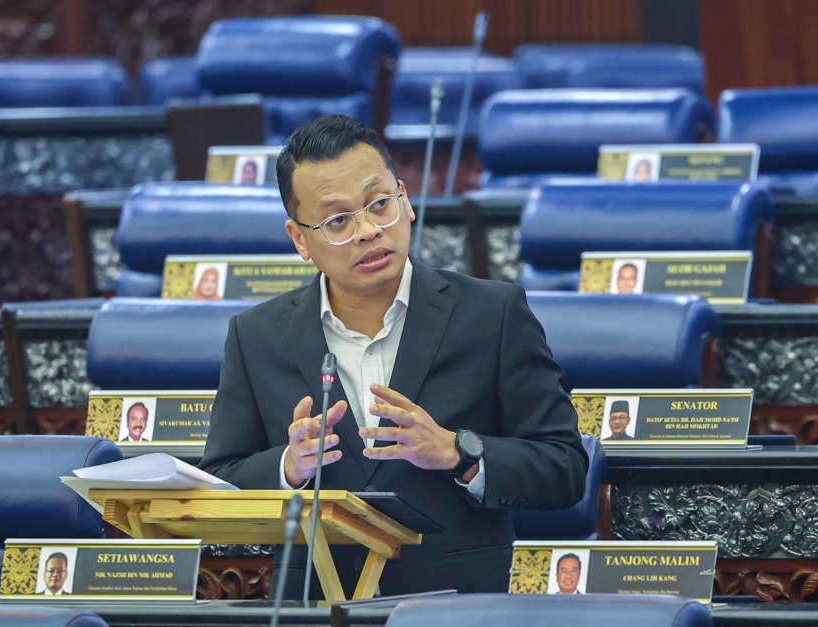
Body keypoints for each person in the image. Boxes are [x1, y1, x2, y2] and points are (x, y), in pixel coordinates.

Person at [199, 115, 587, 599]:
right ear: (299, 239)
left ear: (405, 201)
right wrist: (287, 467)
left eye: (379, 204)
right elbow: (218, 481)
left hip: (460, 611)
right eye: (338, 220)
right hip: (319, 608)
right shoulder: (257, 335)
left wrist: (456, 451)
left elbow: (565, 468)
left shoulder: (493, 314)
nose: (367, 230)